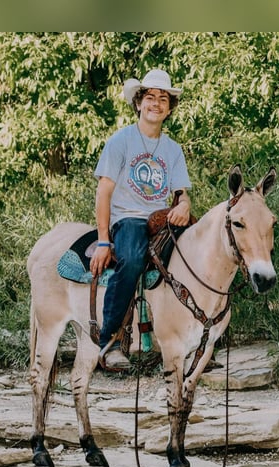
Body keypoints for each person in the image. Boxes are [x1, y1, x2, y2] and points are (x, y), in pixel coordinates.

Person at [90, 69, 192, 371]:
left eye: (163, 99)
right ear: (139, 103)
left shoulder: (173, 150)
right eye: (150, 98)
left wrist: (184, 206)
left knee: (205, 251)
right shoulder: (121, 141)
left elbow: (180, 194)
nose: (156, 104)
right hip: (129, 219)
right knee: (132, 259)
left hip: (162, 220)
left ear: (169, 108)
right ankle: (110, 340)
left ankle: (196, 335)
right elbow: (103, 192)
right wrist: (104, 240)